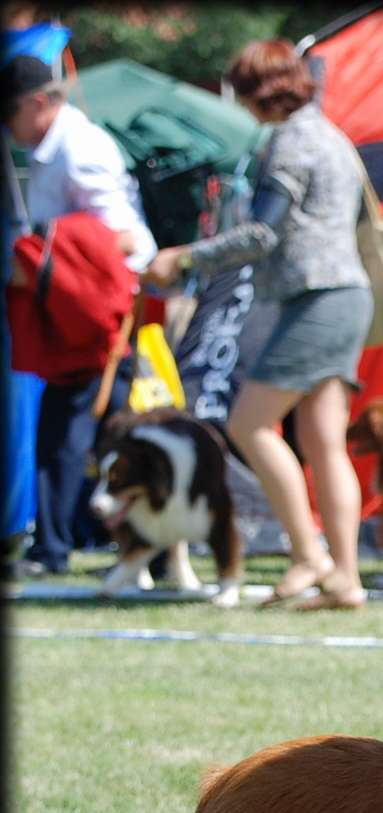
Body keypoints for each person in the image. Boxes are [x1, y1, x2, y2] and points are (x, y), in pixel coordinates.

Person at [142, 38, 371, 610]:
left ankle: (307, 556)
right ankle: (345, 578)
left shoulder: (291, 142)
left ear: (257, 92)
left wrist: (186, 257)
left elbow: (262, 233)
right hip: (348, 295)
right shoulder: (334, 136)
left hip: (313, 299)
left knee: (250, 425)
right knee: (324, 443)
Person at [3, 47, 156, 578]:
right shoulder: (57, 143)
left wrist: (45, 259)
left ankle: (52, 549)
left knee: (65, 435)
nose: (9, 127)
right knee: (108, 432)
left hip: (94, 315)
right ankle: (131, 547)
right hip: (79, 309)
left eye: (10, 113)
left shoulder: (79, 147)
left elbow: (123, 238)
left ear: (38, 102)